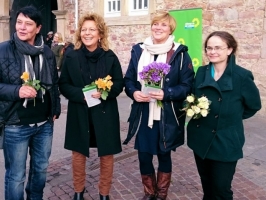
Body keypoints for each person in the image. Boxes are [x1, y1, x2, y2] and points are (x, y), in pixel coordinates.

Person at [123, 11, 194, 200]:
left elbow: (187, 86)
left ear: (171, 29)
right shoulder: (139, 50)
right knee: (144, 156)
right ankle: (149, 192)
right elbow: (129, 79)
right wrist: (133, 92)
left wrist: (166, 93)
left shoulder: (180, 53)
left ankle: (161, 194)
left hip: (166, 114)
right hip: (144, 111)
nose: (158, 28)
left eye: (163, 25)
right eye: (155, 24)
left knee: (164, 155)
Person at [187, 31, 261, 200]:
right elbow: (193, 97)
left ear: (230, 50)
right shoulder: (202, 72)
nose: (212, 52)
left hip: (226, 141)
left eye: (218, 48)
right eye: (209, 48)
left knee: (221, 189)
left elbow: (254, 105)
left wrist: (230, 117)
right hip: (201, 138)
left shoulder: (241, 76)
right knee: (207, 184)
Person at [59, 12, 124, 200]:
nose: (87, 33)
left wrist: (105, 92)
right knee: (78, 153)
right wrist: (82, 95)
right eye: (84, 29)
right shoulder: (71, 56)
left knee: (106, 153)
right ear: (80, 33)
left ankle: (104, 193)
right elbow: (63, 84)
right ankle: (78, 191)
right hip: (80, 111)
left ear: (100, 34)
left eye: (92, 30)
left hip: (105, 112)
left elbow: (119, 83)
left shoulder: (110, 56)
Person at [0, 5, 61, 199]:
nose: (22, 27)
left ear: (38, 28)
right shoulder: (3, 50)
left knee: (40, 171)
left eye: (28, 24)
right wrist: (17, 90)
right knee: (16, 176)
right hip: (15, 124)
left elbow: (54, 84)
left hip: (44, 124)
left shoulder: (48, 53)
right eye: (19, 22)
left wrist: (55, 108)